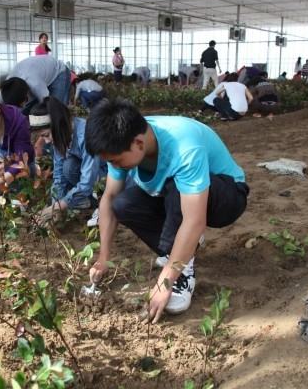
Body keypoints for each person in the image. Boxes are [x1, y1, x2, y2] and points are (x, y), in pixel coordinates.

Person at [85, 98, 248, 322]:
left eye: (116, 161)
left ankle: (181, 270)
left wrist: (165, 282)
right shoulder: (124, 141)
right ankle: (182, 253)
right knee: (123, 203)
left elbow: (194, 220)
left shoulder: (183, 147)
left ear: (139, 144)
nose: (115, 166)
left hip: (227, 197)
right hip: (180, 198)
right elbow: (110, 197)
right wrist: (103, 258)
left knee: (176, 185)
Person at [34, 97, 106, 223]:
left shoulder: (85, 135)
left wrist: (59, 206)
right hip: (90, 179)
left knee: (71, 167)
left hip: (106, 176)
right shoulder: (60, 136)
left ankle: (99, 199)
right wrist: (55, 203)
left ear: (58, 125)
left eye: (46, 135)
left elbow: (87, 181)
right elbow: (59, 175)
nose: (46, 141)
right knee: (68, 166)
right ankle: (87, 199)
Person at [0, 55, 71, 114]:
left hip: (59, 72)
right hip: (40, 73)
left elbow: (47, 102)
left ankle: (61, 130)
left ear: (26, 96)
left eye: (21, 104)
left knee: (55, 109)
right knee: (25, 110)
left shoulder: (35, 84)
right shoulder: (7, 86)